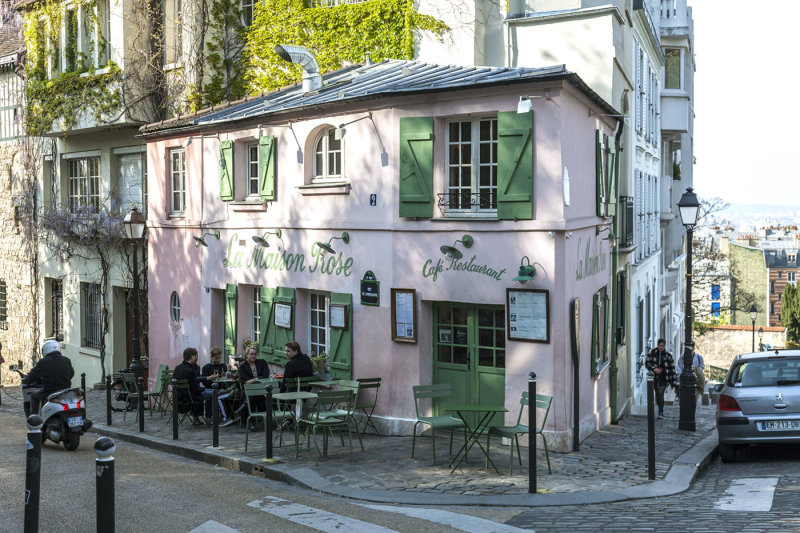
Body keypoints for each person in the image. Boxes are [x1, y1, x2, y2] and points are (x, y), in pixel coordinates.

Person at [23, 339, 74, 415]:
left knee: (34, 395)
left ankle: (34, 419)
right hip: (65, 391)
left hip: (49, 392)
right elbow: (71, 374)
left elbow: (32, 376)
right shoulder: (66, 360)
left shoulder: (43, 362)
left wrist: (25, 380)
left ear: (45, 350)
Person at [174, 347, 216, 424]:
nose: (197, 357)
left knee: (211, 391)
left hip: (179, 396)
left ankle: (199, 417)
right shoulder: (190, 370)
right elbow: (195, 389)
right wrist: (203, 389)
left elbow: (192, 382)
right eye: (196, 356)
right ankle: (209, 417)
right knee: (215, 393)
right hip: (189, 396)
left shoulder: (177, 368)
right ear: (191, 356)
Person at [235, 345, 270, 424]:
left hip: (261, 388)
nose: (253, 356)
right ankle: (251, 421)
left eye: (255, 354)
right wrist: (255, 379)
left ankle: (250, 419)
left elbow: (265, 375)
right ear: (246, 355)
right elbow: (244, 381)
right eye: (251, 354)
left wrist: (254, 379)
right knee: (251, 395)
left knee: (252, 397)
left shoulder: (262, 362)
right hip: (248, 389)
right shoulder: (243, 366)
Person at [644, 339, 677, 419]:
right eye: (660, 345)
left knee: (660, 393)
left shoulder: (668, 356)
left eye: (662, 346)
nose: (661, 347)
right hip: (654, 377)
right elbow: (647, 363)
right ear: (657, 345)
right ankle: (659, 408)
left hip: (664, 377)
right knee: (657, 393)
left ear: (664, 346)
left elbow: (672, 369)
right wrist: (654, 369)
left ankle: (661, 412)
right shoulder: (652, 353)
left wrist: (673, 383)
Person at [201, 347, 229, 422]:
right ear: (212, 357)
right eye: (216, 358)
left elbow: (226, 377)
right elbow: (204, 381)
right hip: (209, 387)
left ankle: (226, 415)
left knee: (227, 393)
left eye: (219, 358)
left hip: (221, 387)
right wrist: (211, 379)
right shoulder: (206, 367)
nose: (218, 360)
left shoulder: (223, 366)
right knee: (211, 395)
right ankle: (209, 416)